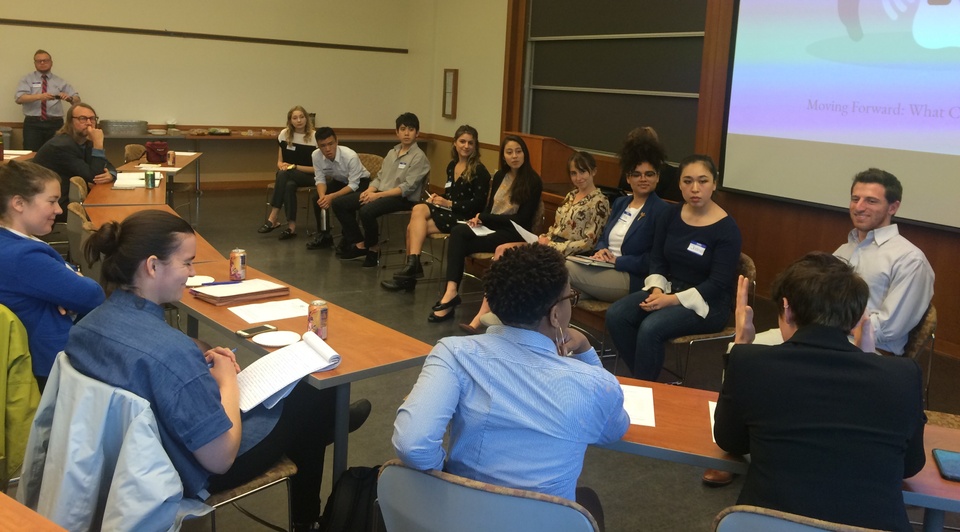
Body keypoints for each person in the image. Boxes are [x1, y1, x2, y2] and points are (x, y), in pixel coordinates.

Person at [65, 210, 370, 531]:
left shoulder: (88, 325)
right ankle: (323, 452)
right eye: (186, 262)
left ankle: (321, 448)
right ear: (153, 266)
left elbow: (140, 359)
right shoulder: (172, 353)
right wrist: (227, 381)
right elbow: (220, 459)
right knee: (314, 392)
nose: (192, 272)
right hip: (194, 467)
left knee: (310, 406)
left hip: (124, 461)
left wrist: (192, 355)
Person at [393, 245, 628, 532]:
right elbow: (614, 431)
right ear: (556, 315)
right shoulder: (595, 382)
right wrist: (587, 352)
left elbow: (413, 445)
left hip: (460, 519)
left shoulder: (453, 352)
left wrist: (449, 479)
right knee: (587, 499)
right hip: (544, 523)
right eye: (570, 298)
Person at [713, 252, 925, 531]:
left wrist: (741, 344)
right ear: (855, 319)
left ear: (786, 309)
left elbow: (730, 440)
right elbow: (910, 465)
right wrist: (871, 357)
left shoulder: (751, 363)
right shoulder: (903, 376)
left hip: (770, 524)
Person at [748, 168, 936, 356]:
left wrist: (830, 328)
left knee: (770, 361)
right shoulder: (844, 250)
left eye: (871, 201)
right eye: (855, 199)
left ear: (893, 207)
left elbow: (889, 328)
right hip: (821, 335)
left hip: (868, 349)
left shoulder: (910, 260)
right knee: (743, 348)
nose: (859, 207)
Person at [606, 155, 741, 380]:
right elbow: (658, 258)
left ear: (714, 183)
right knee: (617, 315)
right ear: (679, 184)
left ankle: (644, 386)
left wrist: (671, 300)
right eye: (687, 181)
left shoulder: (727, 229)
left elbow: (718, 283)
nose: (695, 188)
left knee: (651, 328)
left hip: (708, 303)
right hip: (669, 287)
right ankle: (644, 379)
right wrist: (657, 289)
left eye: (703, 181)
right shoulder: (670, 214)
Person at [460, 151, 610, 332]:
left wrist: (552, 245)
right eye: (573, 173)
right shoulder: (571, 196)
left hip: (570, 254)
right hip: (549, 244)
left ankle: (504, 317)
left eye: (582, 172)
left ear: (593, 171)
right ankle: (486, 311)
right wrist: (544, 237)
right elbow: (558, 227)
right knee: (502, 250)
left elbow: (589, 243)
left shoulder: (600, 202)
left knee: (521, 266)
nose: (578, 178)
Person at [0, 160, 104, 389]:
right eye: (52, 201)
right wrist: (71, 283)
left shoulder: (10, 243)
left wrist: (65, 286)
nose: (59, 209)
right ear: (18, 203)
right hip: (49, 368)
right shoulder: (24, 256)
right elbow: (93, 296)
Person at [428, 135, 543, 323]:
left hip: (514, 232)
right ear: (503, 156)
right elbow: (489, 209)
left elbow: (522, 220)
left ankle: (451, 301)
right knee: (458, 232)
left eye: (518, 151)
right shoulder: (499, 176)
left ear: (525, 154)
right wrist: (479, 219)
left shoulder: (533, 181)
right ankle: (451, 291)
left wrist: (486, 218)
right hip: (492, 228)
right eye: (509, 152)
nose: (514, 156)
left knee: (461, 243)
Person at [380, 125, 491, 291]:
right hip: (449, 212)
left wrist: (449, 204)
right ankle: (412, 267)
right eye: (462, 141)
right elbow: (450, 194)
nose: (466, 146)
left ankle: (409, 273)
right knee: (419, 210)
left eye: (470, 143)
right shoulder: (452, 166)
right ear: (454, 143)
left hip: (466, 219)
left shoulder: (480, 171)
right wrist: (438, 199)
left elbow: (478, 205)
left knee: (413, 227)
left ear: (475, 146)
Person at [567, 129, 669, 303]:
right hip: (600, 267)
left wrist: (617, 261)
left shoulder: (662, 210)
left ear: (657, 177)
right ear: (628, 178)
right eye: (636, 174)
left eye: (649, 174)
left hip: (630, 276)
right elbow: (603, 237)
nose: (643, 179)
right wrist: (601, 251)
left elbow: (654, 259)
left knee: (561, 268)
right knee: (561, 294)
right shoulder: (621, 203)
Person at [333, 112, 430, 268]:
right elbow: (379, 177)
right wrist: (370, 190)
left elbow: (407, 187)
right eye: (403, 129)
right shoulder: (392, 153)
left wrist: (378, 196)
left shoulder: (419, 157)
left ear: (417, 133)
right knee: (339, 203)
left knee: (366, 211)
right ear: (397, 132)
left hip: (403, 199)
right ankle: (360, 244)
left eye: (411, 129)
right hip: (382, 194)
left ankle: (373, 249)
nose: (406, 133)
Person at [32, 103, 116, 220]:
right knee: (108, 214)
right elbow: (95, 177)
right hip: (52, 203)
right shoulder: (61, 146)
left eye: (92, 119)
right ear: (70, 122)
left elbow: (108, 165)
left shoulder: (85, 142)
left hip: (72, 199)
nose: (88, 123)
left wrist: (111, 174)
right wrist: (98, 145)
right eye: (82, 118)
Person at [257, 106, 319, 240]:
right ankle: (291, 227)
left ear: (307, 119)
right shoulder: (284, 134)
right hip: (290, 174)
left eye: (302, 117)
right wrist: (283, 166)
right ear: (290, 121)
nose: (299, 121)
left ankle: (273, 216)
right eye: (295, 118)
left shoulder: (314, 137)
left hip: (310, 176)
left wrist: (295, 167)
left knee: (284, 174)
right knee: (288, 184)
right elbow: (279, 162)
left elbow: (318, 169)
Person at [305, 127, 371, 250]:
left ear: (337, 141)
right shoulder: (316, 155)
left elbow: (353, 185)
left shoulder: (350, 156)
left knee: (341, 202)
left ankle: (349, 238)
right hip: (340, 180)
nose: (327, 149)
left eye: (330, 144)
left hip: (360, 182)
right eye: (323, 146)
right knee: (317, 199)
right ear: (318, 146)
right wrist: (323, 196)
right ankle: (324, 236)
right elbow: (320, 179)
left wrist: (332, 196)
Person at [14, 50, 80, 151]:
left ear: (51, 63)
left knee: (56, 153)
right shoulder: (27, 79)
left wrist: (69, 98)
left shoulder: (59, 81)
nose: (42, 63)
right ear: (35, 63)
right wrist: (40, 96)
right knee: (30, 154)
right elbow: (19, 98)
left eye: (45, 60)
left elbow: (77, 101)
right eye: (39, 61)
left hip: (55, 123)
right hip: (33, 123)